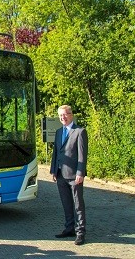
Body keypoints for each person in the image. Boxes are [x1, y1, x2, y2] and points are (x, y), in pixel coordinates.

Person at [50, 105, 88, 245]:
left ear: (71, 115)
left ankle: (80, 232)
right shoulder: (59, 132)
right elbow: (56, 153)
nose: (63, 118)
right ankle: (69, 228)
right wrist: (54, 170)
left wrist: (80, 173)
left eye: (65, 115)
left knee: (78, 204)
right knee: (66, 204)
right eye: (60, 116)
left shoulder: (80, 131)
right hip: (60, 174)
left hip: (74, 176)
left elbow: (82, 156)